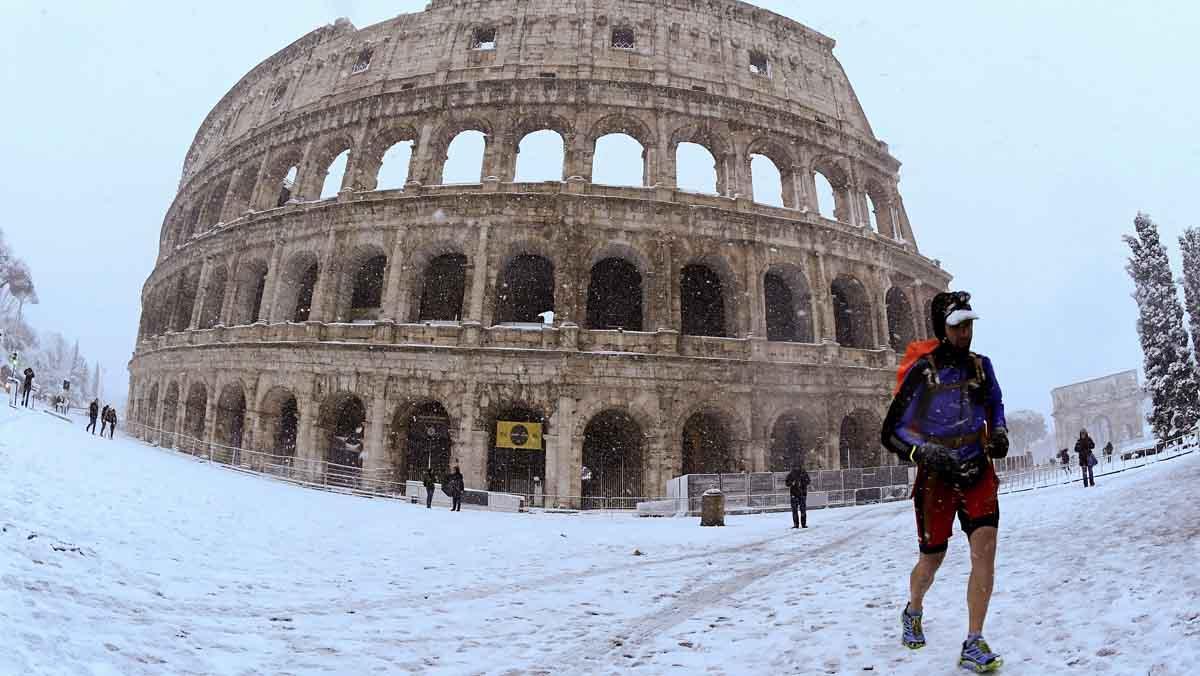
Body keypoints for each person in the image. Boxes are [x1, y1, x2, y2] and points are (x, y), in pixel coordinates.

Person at [881, 291, 1007, 673]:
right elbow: (892, 431)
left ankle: (974, 640)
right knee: (932, 559)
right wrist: (923, 453)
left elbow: (995, 406)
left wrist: (999, 432)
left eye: (969, 324)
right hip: (937, 474)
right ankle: (913, 608)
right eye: (957, 326)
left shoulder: (982, 368)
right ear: (943, 328)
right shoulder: (924, 371)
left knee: (984, 551)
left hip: (976, 468)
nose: (966, 333)